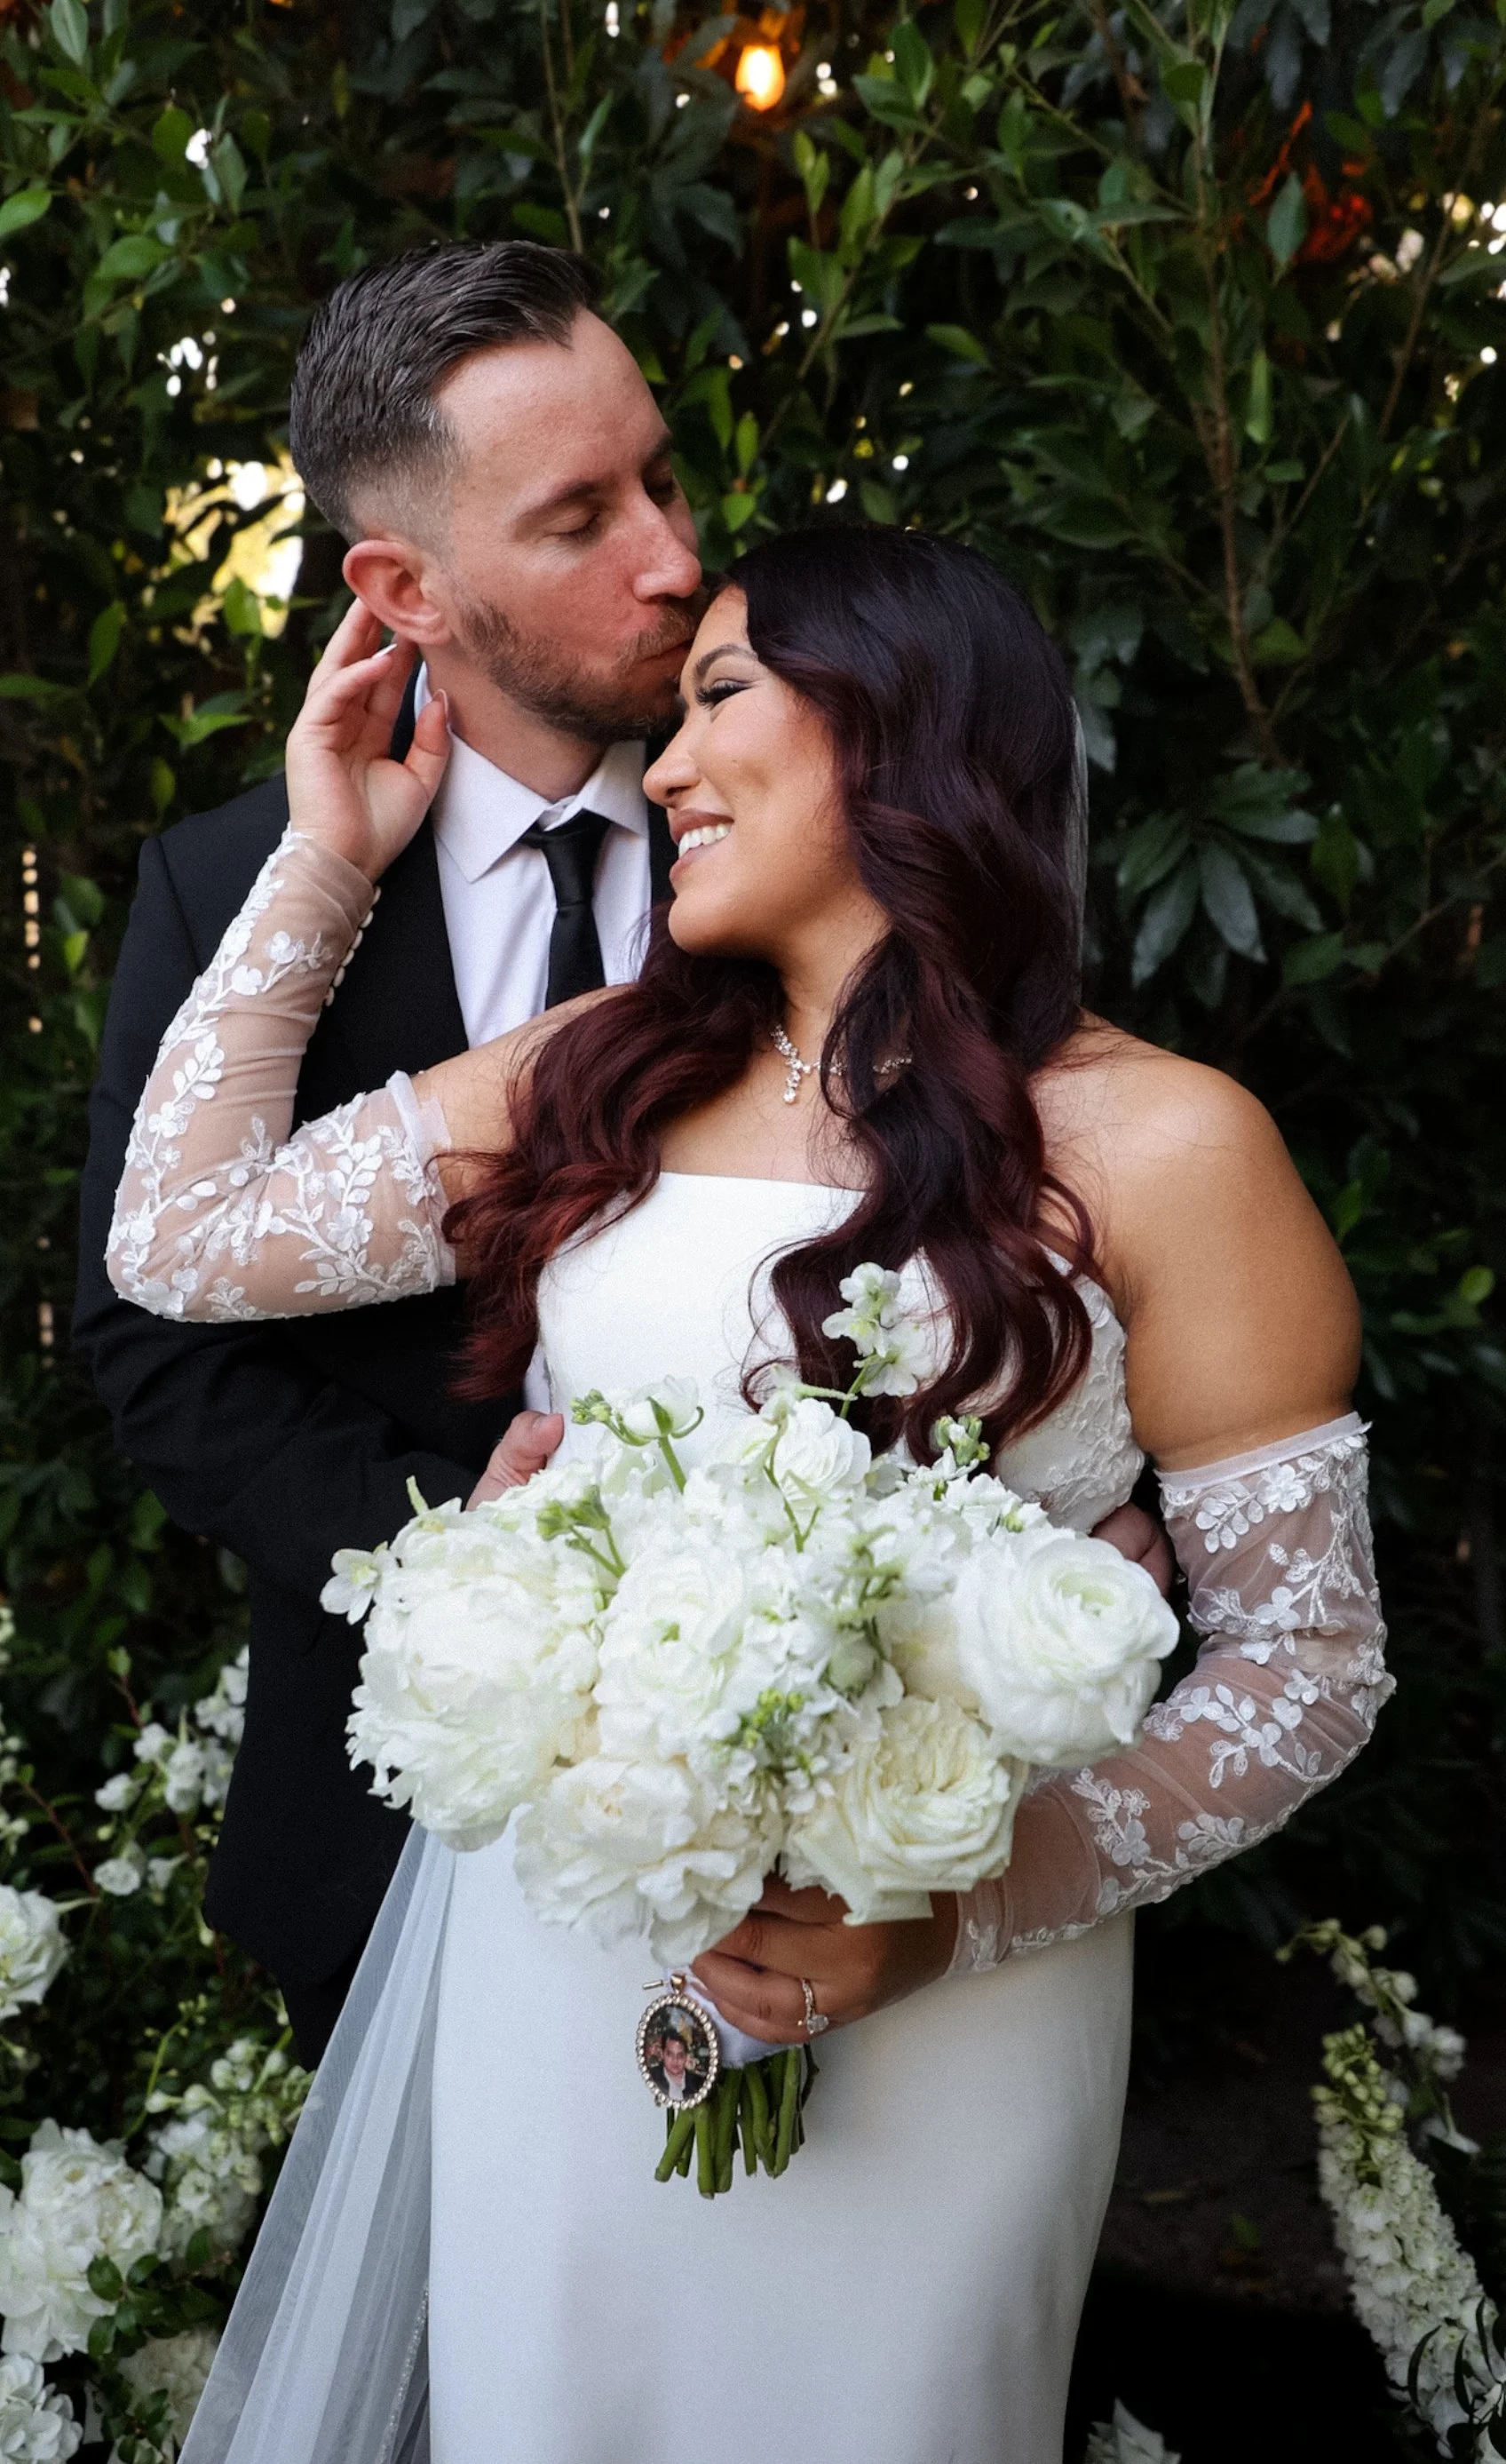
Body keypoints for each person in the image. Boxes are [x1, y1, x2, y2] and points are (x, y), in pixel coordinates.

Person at [112, 526, 1389, 2464]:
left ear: (901, 735)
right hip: (562, 1951)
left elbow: (1307, 1661)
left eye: (720, 702)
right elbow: (182, 1241)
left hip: (946, 1981)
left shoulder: (1168, 1142)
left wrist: (964, 1905)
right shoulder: (593, 1080)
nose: (670, 768)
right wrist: (327, 852)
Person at [76, 239, 1164, 2071]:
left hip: (872, 1858)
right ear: (401, 586)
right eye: (581, 516)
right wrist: (503, 1582)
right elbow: (156, 1334)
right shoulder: (233, 886)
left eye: (661, 475)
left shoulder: (853, 834)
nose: (671, 554)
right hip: (392, 1808)